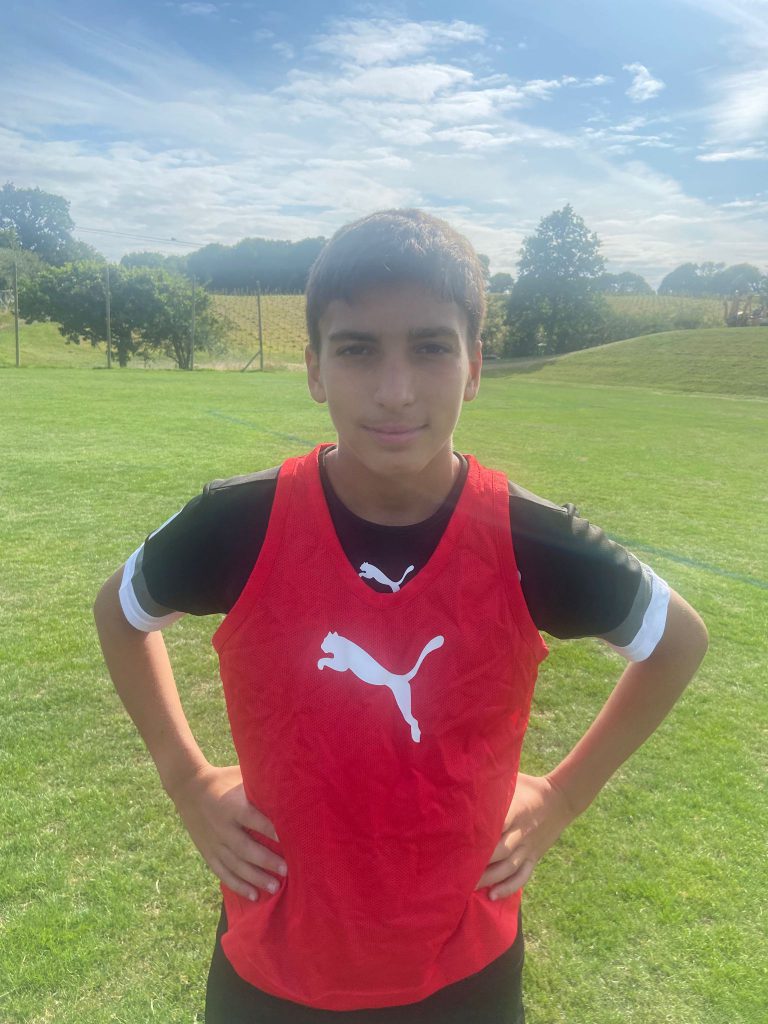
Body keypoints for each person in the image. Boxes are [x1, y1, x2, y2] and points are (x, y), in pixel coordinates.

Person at [93, 209, 708, 1023]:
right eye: (357, 350)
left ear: (474, 366)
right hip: (276, 966)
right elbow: (119, 613)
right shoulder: (238, 522)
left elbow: (678, 642)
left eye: (430, 347)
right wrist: (186, 779)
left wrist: (563, 797)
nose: (395, 390)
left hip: (463, 972)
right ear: (314, 369)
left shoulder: (532, 539)